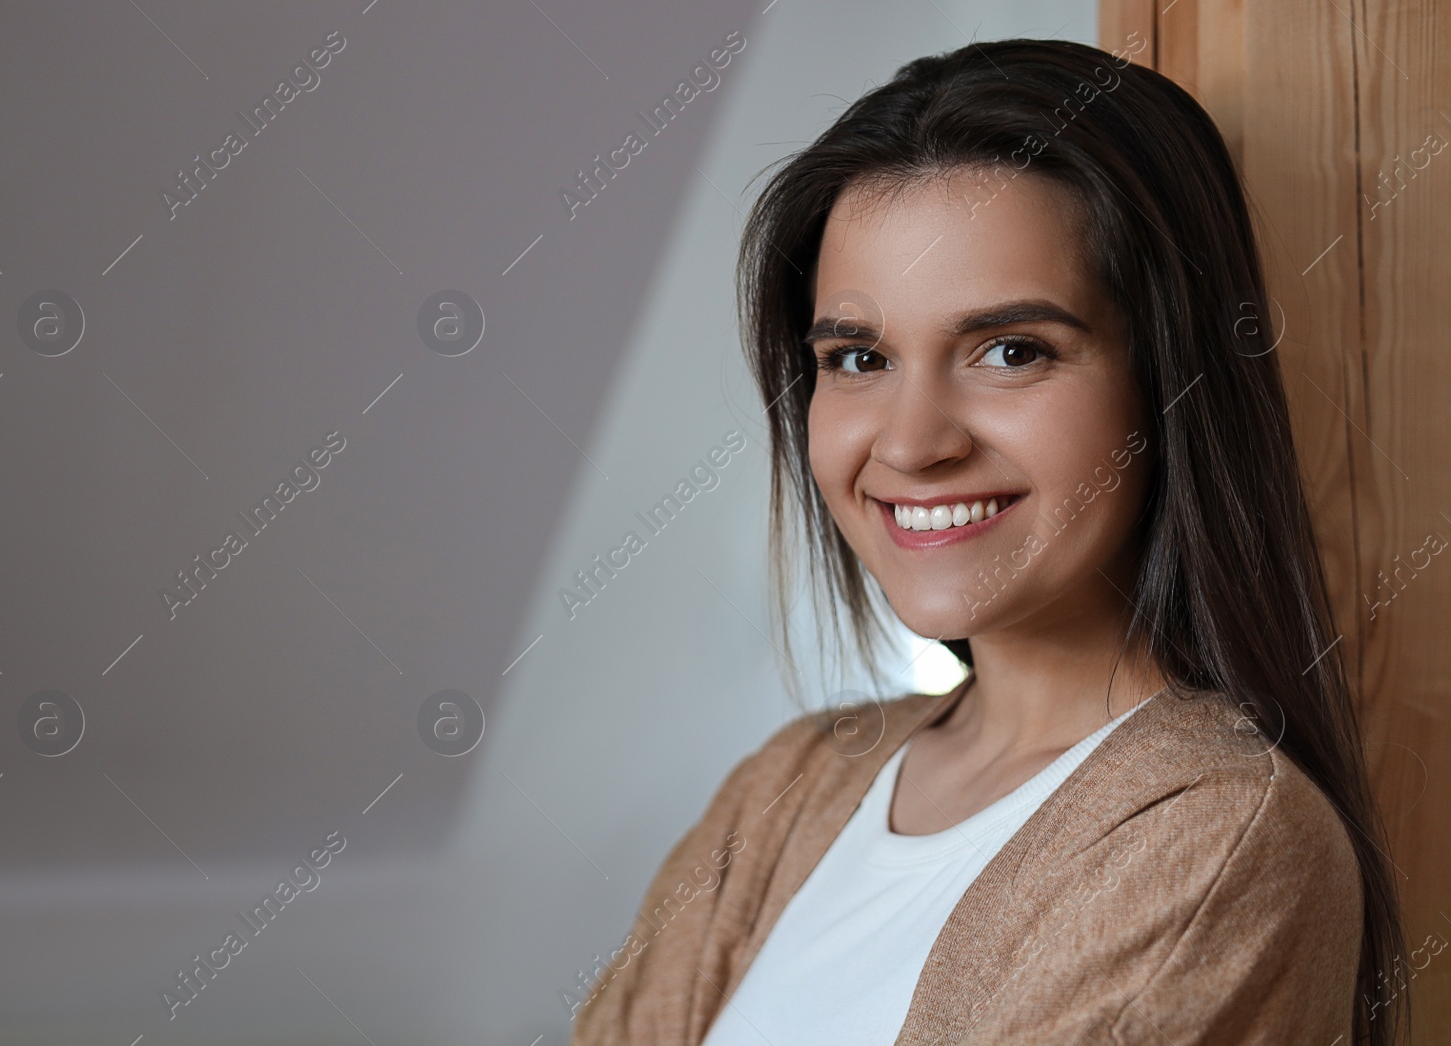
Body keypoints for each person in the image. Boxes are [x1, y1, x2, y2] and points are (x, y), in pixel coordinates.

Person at [566, 37, 1406, 1045]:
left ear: (1170, 379)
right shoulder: (786, 785)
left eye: (1012, 350)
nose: (913, 443)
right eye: (858, 356)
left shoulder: (1216, 843)